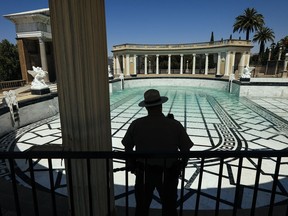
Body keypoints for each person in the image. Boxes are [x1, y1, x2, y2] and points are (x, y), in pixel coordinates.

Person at [122, 89, 193, 216]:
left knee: (142, 208)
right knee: (169, 207)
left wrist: (132, 164)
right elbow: (186, 149)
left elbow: (127, 147)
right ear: (161, 105)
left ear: (146, 108)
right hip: (168, 174)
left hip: (143, 173)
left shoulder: (136, 124)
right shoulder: (174, 125)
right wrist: (181, 165)